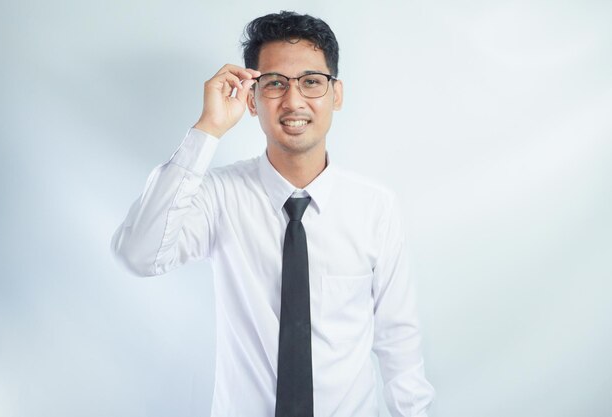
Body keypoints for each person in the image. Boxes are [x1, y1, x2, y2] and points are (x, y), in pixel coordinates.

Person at [111, 10, 435, 417]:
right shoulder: (218, 196)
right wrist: (207, 129)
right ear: (251, 98)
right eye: (275, 84)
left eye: (312, 82)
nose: (294, 101)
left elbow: (398, 341)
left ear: (336, 94)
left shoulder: (375, 207)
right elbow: (137, 254)